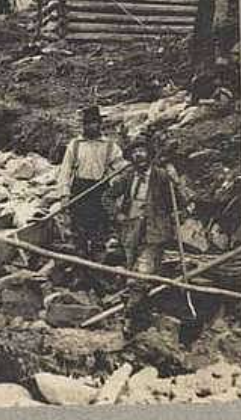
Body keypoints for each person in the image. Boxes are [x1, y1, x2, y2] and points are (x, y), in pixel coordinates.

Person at [112, 135, 184, 336]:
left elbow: (178, 203)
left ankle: (129, 321)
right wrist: (118, 215)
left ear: (149, 154)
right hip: (131, 232)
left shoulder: (161, 177)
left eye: (142, 151)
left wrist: (175, 182)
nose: (138, 155)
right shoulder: (127, 177)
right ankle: (142, 317)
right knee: (132, 274)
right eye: (134, 152)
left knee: (140, 276)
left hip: (155, 233)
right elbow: (107, 197)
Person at [57, 105, 127, 260]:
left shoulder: (110, 146)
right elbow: (65, 172)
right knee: (79, 233)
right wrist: (64, 195)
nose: (90, 126)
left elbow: (121, 171)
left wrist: (117, 191)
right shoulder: (75, 145)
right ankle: (79, 264)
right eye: (87, 123)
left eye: (94, 123)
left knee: (99, 233)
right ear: (83, 125)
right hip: (80, 191)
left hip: (100, 192)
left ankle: (97, 263)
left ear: (100, 124)